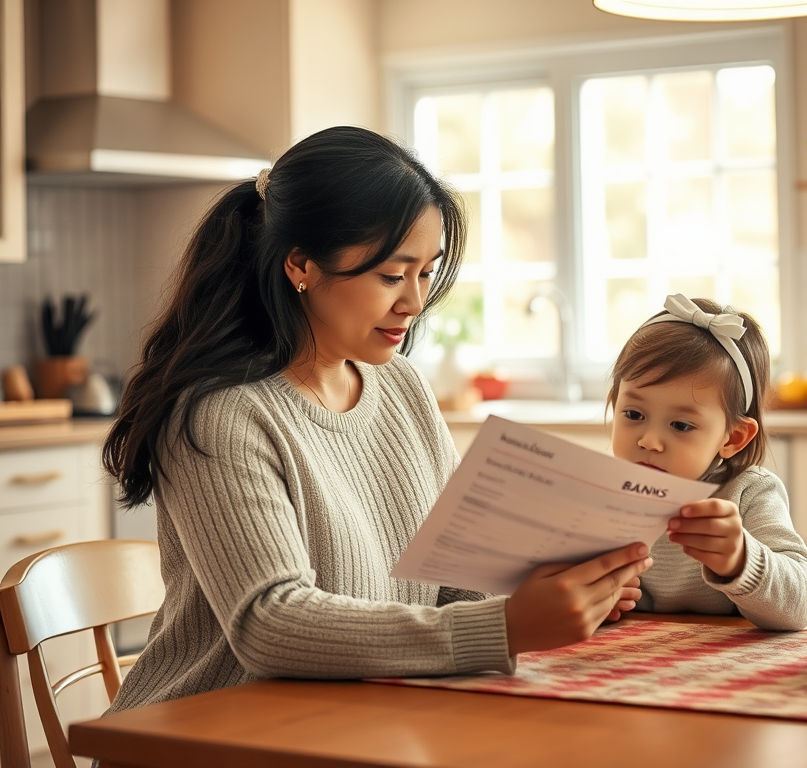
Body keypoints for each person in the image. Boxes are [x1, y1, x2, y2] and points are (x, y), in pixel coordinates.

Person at [102, 126, 651, 713]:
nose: (415, 302)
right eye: (392, 275)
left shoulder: (402, 387)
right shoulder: (221, 415)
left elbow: (454, 579)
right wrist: (506, 627)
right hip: (214, 732)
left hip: (363, 716)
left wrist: (553, 586)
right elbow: (270, 624)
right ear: (301, 266)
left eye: (427, 272)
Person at [607, 293, 807, 630]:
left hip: (726, 671)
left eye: (681, 425)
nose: (648, 440)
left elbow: (805, 605)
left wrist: (741, 560)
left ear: (732, 438)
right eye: (633, 414)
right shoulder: (597, 490)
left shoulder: (748, 493)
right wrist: (593, 599)